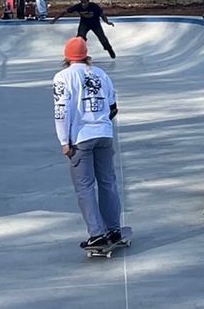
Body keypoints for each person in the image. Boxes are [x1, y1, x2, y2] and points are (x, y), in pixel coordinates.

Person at [54, 36, 123, 250]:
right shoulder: (102, 74)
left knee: (84, 187)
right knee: (107, 182)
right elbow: (113, 107)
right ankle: (113, 228)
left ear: (67, 57)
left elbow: (61, 111)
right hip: (104, 134)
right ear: (86, 56)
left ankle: (97, 234)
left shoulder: (62, 77)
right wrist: (100, 123)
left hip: (80, 138)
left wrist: (64, 140)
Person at [52, 0, 117, 59]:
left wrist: (107, 22)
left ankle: (109, 49)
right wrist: (55, 19)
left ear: (88, 2)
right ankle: (79, 54)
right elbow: (65, 12)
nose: (83, 4)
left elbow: (102, 15)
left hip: (95, 24)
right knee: (79, 39)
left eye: (85, 2)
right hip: (84, 24)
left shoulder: (94, 6)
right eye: (82, 2)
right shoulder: (78, 6)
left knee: (102, 38)